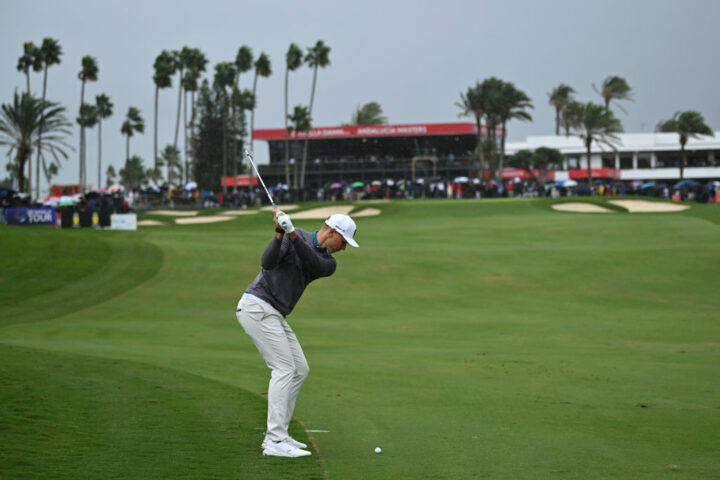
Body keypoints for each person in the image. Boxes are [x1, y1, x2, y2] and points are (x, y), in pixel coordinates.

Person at [236, 210, 359, 457]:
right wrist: (279, 233)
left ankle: (281, 434)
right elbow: (267, 262)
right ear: (333, 232)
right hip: (257, 306)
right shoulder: (294, 236)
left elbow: (310, 261)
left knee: (300, 369)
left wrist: (290, 234)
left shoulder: (328, 264)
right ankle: (275, 440)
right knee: (284, 368)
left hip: (274, 313)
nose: (343, 249)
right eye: (343, 242)